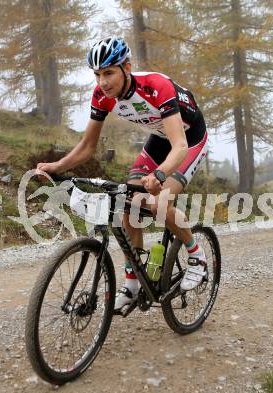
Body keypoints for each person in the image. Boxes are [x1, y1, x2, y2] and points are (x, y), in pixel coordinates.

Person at [36, 36, 208, 312]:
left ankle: (196, 256)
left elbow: (179, 146)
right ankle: (132, 284)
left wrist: (160, 175)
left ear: (127, 68)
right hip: (159, 138)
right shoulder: (102, 96)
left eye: (109, 73)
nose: (103, 82)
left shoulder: (156, 87)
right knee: (126, 201)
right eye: (97, 75)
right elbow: (88, 146)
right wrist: (56, 167)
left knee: (156, 202)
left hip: (188, 140)